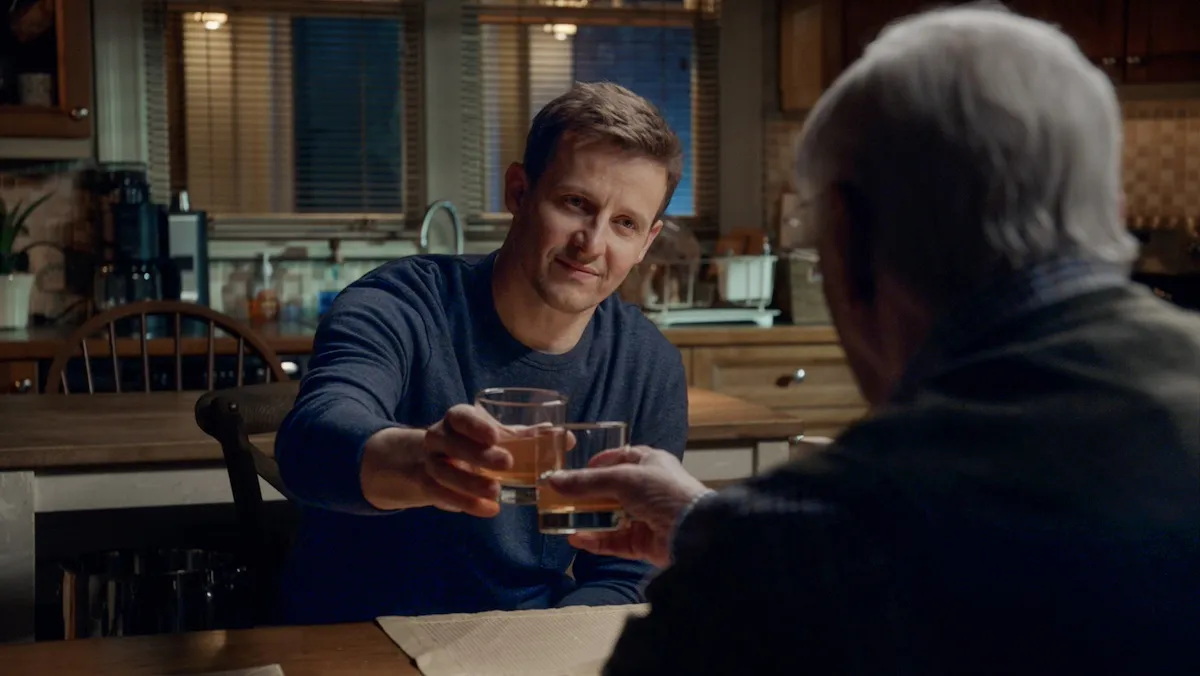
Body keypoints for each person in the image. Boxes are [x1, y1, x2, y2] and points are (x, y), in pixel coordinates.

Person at [547, 7, 1200, 674]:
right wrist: (712, 525)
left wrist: (737, 542)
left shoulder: (785, 563)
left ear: (847, 238)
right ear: (1111, 208)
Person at [273, 82, 690, 624]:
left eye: (624, 224)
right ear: (519, 192)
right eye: (575, 204)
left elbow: (623, 573)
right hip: (358, 636)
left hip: (524, 643)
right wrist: (423, 463)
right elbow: (312, 441)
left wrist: (546, 652)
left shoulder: (646, 365)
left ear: (646, 243)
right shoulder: (402, 305)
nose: (591, 243)